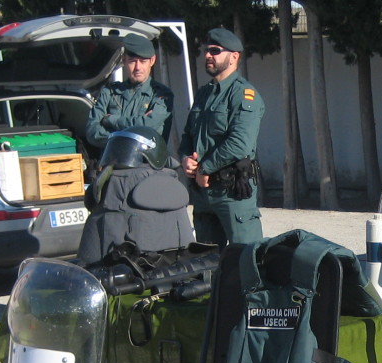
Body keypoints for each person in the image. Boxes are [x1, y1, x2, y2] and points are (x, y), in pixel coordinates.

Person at [178, 27, 264, 245]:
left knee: (245, 257)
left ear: (234, 57)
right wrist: (186, 159)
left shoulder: (244, 94)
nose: (208, 55)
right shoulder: (204, 94)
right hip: (203, 193)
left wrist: (204, 168)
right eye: (207, 51)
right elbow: (188, 134)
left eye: (215, 51)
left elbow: (240, 143)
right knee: (205, 259)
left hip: (232, 193)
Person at [76, 127, 193, 266]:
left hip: (121, 270)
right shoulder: (173, 185)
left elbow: (89, 261)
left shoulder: (112, 185)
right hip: (177, 267)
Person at [83, 32, 173, 154]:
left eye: (143, 61)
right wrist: (128, 137)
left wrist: (110, 120)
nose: (138, 67)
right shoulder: (110, 92)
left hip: (146, 163)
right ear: (124, 60)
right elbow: (92, 131)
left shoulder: (161, 95)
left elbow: (147, 128)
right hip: (111, 162)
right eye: (132, 61)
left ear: (152, 60)